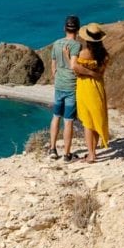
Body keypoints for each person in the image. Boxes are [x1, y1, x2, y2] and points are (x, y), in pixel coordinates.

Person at [66, 23, 109, 163]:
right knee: (96, 119)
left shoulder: (83, 53)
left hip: (85, 88)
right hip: (98, 87)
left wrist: (68, 57)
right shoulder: (105, 55)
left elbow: (75, 68)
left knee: (87, 122)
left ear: (87, 39)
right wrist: (94, 74)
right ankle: (94, 152)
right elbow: (100, 74)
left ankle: (91, 155)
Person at [48, 15, 82, 161]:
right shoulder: (76, 45)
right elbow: (74, 66)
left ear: (64, 28)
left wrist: (57, 77)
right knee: (68, 121)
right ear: (78, 29)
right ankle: (67, 155)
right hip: (71, 86)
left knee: (56, 117)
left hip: (59, 85)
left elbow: (53, 65)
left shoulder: (56, 43)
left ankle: (52, 149)